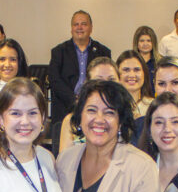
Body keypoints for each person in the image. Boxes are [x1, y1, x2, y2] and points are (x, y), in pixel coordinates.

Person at [48, 10, 112, 152]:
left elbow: (107, 82)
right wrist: (75, 100)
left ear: (91, 27)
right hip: (65, 107)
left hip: (96, 108)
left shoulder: (103, 52)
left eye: (84, 24)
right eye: (76, 24)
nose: (79, 27)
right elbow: (54, 80)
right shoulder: (59, 52)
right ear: (71, 28)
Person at [139, 92, 178, 190]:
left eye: (175, 122)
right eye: (159, 122)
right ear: (149, 130)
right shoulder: (142, 167)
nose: (167, 129)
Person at [57, 57, 118, 153]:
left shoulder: (126, 119)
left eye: (111, 80)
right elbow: (64, 164)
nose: (106, 85)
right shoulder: (71, 121)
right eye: (99, 80)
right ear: (87, 84)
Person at [116, 50, 153, 120]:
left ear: (144, 73)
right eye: (126, 70)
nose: (132, 75)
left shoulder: (154, 106)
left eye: (137, 70)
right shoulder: (111, 105)